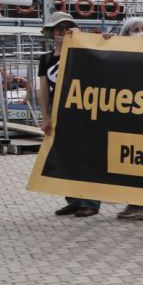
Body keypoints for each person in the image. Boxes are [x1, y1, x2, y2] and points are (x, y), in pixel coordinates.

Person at [37, 12, 100, 218]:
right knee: (66, 156)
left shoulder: (82, 53)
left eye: (66, 28)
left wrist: (82, 37)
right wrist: (45, 118)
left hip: (83, 111)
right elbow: (44, 90)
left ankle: (90, 201)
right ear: (51, 33)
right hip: (59, 112)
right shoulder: (46, 59)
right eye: (58, 29)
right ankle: (73, 199)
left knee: (87, 155)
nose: (63, 32)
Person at [111, 17, 143, 221]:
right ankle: (133, 202)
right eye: (135, 29)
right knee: (129, 161)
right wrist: (105, 43)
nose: (140, 32)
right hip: (127, 114)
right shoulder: (121, 54)